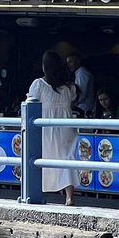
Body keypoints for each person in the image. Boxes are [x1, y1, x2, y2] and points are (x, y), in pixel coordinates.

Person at [29, 51, 78, 205]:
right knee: (67, 156)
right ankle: (69, 196)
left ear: (44, 67)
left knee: (41, 158)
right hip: (65, 126)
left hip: (46, 127)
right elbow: (71, 103)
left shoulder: (39, 84)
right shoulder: (69, 88)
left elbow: (31, 104)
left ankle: (38, 192)